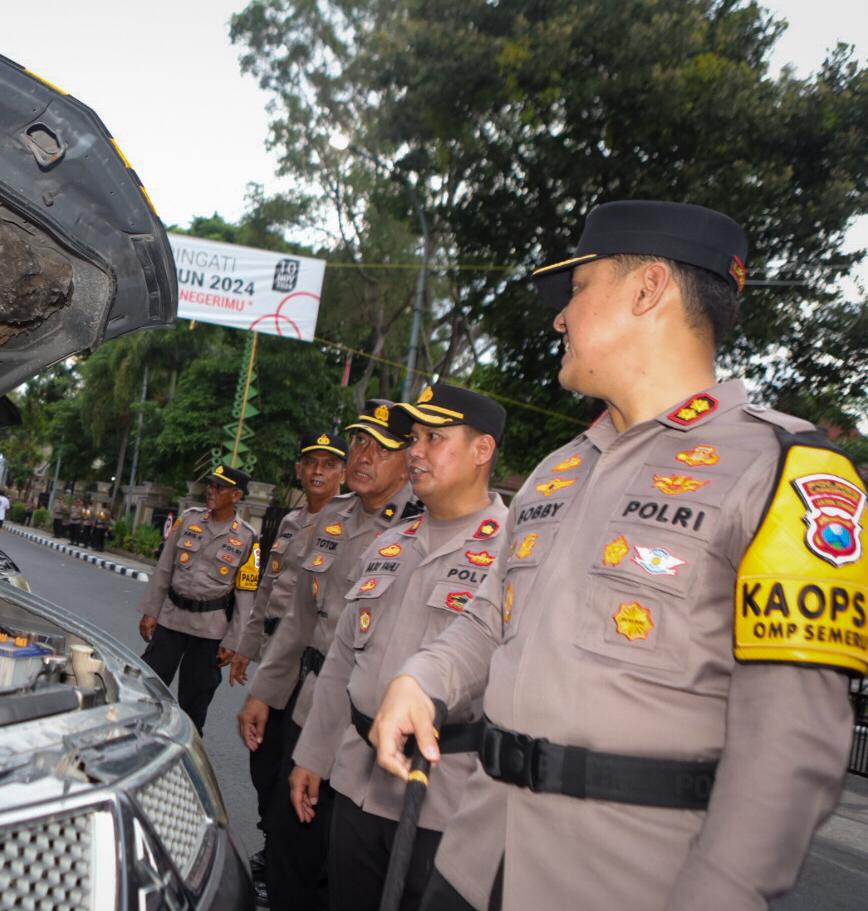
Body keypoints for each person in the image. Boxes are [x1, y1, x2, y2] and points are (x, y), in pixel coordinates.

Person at [368, 201, 863, 911]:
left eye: (577, 290)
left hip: (627, 882)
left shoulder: (785, 470)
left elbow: (793, 744)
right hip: (474, 859)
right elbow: (486, 619)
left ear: (646, 289)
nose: (559, 320)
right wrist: (423, 678)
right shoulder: (557, 470)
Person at [289, 385, 508, 910]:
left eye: (435, 438)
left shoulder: (513, 551)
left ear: (483, 451)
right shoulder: (392, 542)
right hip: (356, 783)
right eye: (413, 438)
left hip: (445, 800)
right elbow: (343, 660)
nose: (415, 451)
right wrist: (313, 757)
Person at [246, 403, 425, 909]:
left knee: (346, 861)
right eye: (359, 443)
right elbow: (301, 620)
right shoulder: (333, 518)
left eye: (381, 447)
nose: (363, 456)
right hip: (309, 706)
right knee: (288, 842)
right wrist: (265, 691)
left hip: (370, 723)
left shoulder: (420, 524)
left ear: (406, 457)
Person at [219, 432, 346, 899]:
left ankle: (283, 856)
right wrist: (245, 651)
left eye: (329, 465)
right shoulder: (291, 522)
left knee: (292, 765)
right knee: (263, 756)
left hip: (310, 664)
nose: (318, 471)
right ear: (299, 470)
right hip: (278, 650)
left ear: (342, 474)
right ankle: (274, 841)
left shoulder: (347, 522)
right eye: (310, 463)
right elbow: (266, 596)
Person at [136, 464, 259, 733]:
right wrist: (150, 611)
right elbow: (164, 569)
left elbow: (245, 596)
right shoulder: (188, 521)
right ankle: (136, 741)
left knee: (194, 703)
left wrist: (234, 641)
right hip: (171, 620)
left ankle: (184, 759)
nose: (211, 491)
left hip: (210, 631)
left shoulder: (247, 537)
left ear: (236, 495)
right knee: (148, 688)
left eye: (219, 487)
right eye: (210, 485)